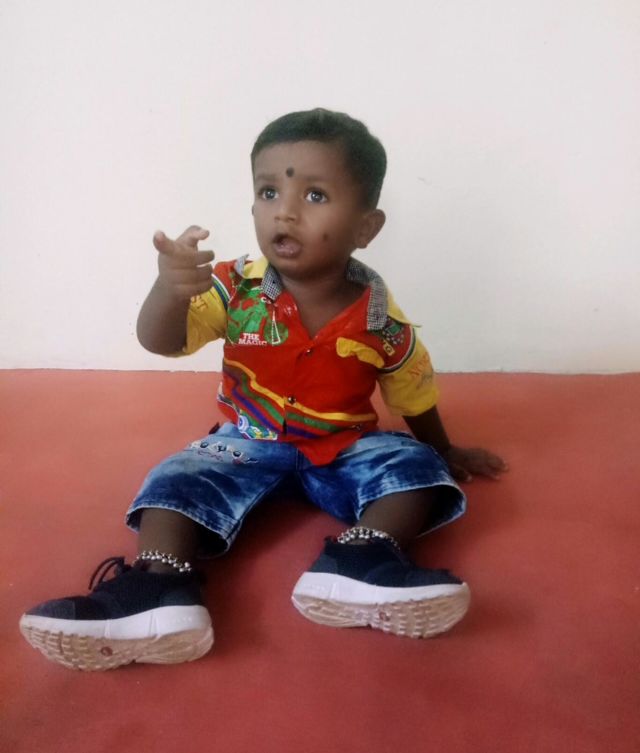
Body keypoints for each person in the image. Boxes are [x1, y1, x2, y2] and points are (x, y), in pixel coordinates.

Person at [19, 108, 507, 671]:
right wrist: (169, 291)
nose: (286, 211)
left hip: (341, 447)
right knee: (177, 476)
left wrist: (443, 448)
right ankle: (159, 589)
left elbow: (413, 391)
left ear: (366, 228)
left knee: (416, 467)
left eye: (315, 196)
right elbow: (161, 341)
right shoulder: (233, 289)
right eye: (269, 191)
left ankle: (362, 560)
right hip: (245, 443)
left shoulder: (382, 322)